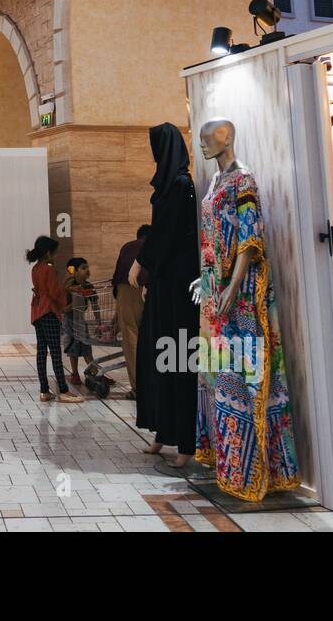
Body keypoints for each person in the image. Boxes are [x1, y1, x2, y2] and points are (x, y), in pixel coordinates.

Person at [129, 123, 200, 467]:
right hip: (165, 283)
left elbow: (167, 233)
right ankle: (162, 432)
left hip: (180, 287)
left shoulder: (182, 186)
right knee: (158, 356)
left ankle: (186, 442)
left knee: (179, 358)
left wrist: (140, 263)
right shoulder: (170, 186)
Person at [27, 235, 84, 404]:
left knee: (41, 352)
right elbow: (54, 293)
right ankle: (64, 391)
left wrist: (63, 286)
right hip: (49, 312)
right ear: (47, 253)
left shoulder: (35, 268)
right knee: (56, 353)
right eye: (54, 252)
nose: (55, 255)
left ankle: (44, 390)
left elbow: (45, 289)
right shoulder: (49, 269)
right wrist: (66, 298)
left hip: (37, 311)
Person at [112, 224, 152, 398]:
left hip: (127, 290)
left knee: (132, 340)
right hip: (152, 289)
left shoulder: (128, 246)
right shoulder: (155, 245)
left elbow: (116, 275)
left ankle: (138, 388)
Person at [61, 257, 97, 387]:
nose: (87, 270)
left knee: (86, 347)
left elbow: (95, 305)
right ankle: (75, 373)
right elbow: (64, 309)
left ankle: (95, 372)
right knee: (73, 348)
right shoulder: (69, 288)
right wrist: (77, 298)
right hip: (69, 320)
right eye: (83, 267)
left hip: (81, 320)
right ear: (73, 271)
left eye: (87, 267)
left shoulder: (89, 286)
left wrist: (99, 322)